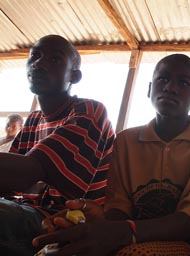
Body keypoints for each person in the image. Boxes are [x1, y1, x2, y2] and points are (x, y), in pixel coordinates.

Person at [33, 54, 190, 256]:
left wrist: (125, 232)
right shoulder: (126, 141)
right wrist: (91, 221)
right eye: (162, 79)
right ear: (149, 89)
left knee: (134, 254)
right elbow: (119, 209)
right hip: (127, 235)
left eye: (184, 83)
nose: (171, 88)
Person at [0, 34, 114, 255]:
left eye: (55, 59)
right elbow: (9, 181)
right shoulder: (33, 120)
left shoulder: (89, 112)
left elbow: (28, 172)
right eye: (35, 56)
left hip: (64, 222)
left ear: (75, 75)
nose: (39, 63)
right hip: (26, 213)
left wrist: (22, 179)